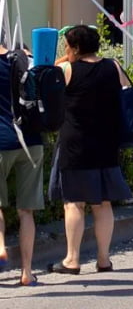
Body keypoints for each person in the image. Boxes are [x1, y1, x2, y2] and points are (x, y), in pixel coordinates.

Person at [49, 24, 132, 275]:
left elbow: (45, 78)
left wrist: (65, 58)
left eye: (67, 45)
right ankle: (104, 259)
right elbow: (128, 91)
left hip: (76, 144)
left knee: (74, 203)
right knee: (103, 203)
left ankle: (72, 260)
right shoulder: (113, 66)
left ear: (75, 47)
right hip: (107, 142)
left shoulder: (66, 69)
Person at [0, 42, 43, 286]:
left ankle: (0, 246)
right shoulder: (27, 61)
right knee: (26, 211)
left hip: (1, 142)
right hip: (32, 141)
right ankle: (27, 272)